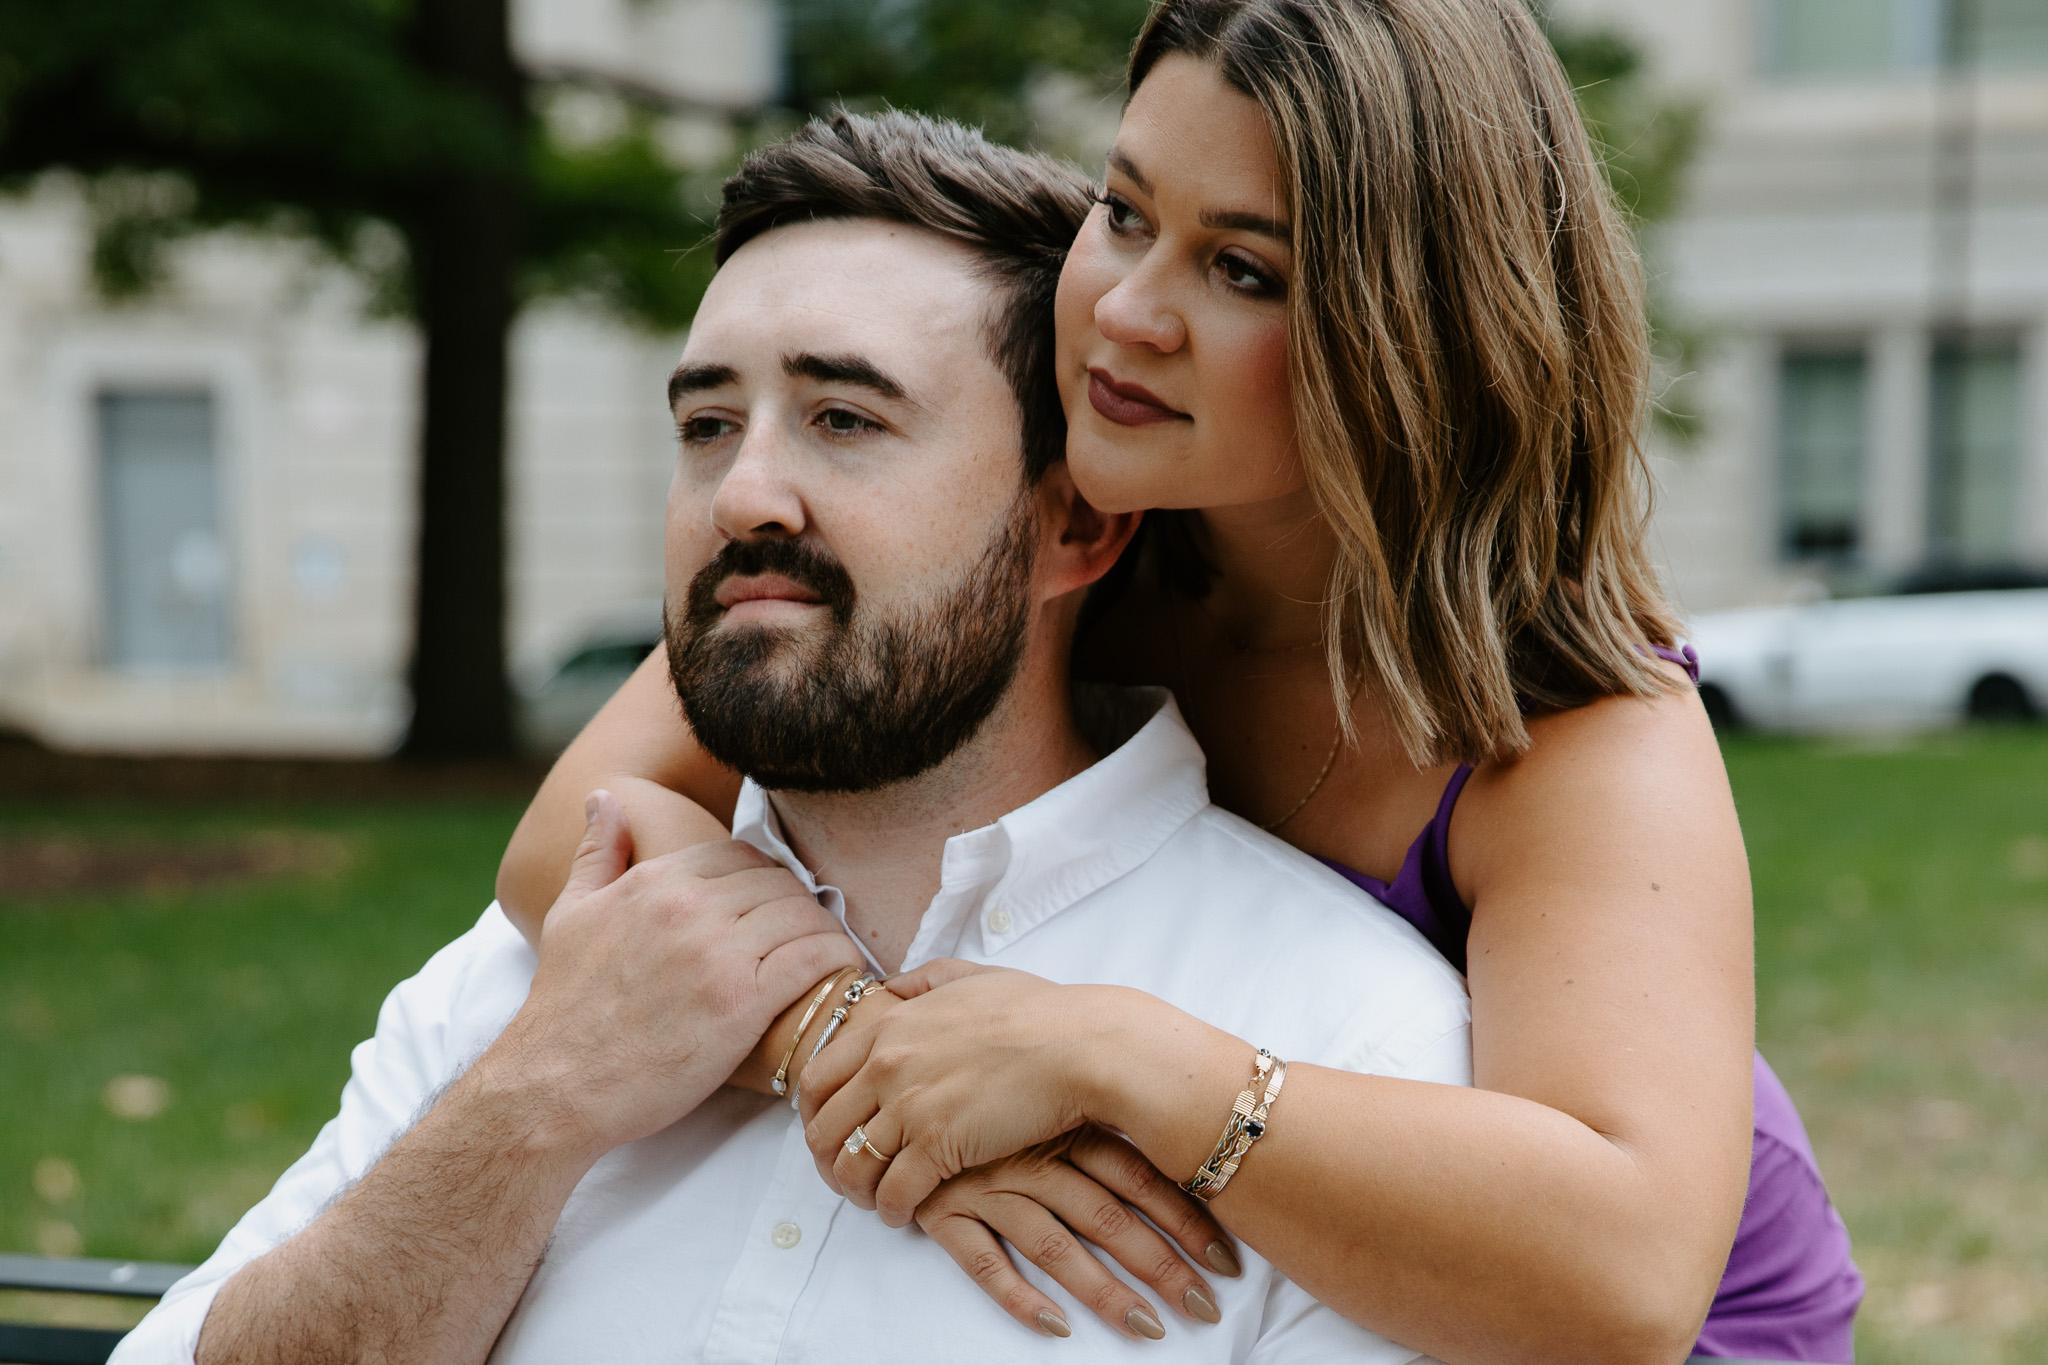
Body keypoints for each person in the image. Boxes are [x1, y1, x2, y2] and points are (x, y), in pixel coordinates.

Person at [494, 1, 1864, 1361]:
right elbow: (564, 845)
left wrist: (1114, 1061)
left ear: (1411, 329)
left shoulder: (1573, 716)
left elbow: (1627, 1277)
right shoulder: (1063, 536)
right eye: (1126, 213)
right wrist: (850, 1051)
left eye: (1243, 271)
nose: (1128, 311)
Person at [111, 111, 1476, 1365]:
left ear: (1073, 522)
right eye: (707, 425)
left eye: (844, 419)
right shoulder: (541, 970)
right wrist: (538, 1103)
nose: (744, 494)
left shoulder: (1341, 1042)